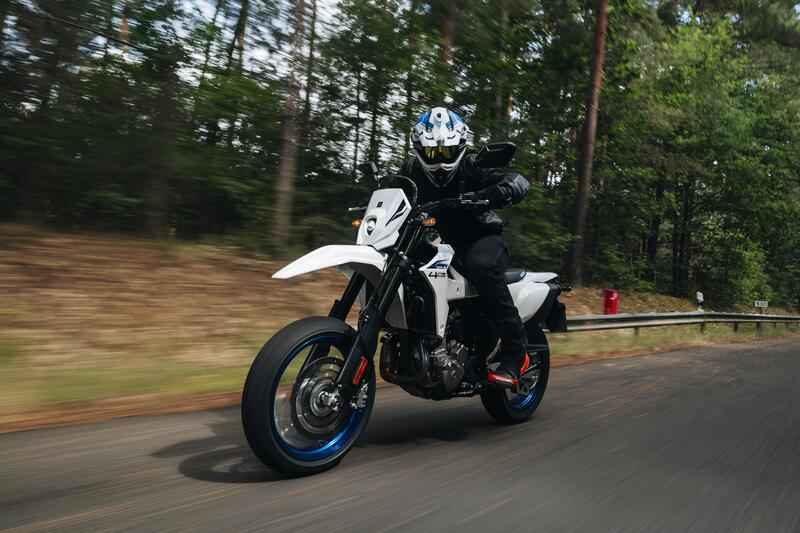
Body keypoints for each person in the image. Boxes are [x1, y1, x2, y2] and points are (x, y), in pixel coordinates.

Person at [400, 106, 530, 388]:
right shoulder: (411, 170)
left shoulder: (473, 165)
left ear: (459, 147)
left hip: (480, 238)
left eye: (446, 152)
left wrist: (500, 191)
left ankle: (515, 352)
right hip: (436, 241)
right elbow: (393, 191)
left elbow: (519, 181)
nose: (439, 160)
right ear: (419, 150)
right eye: (432, 153)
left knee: (480, 266)